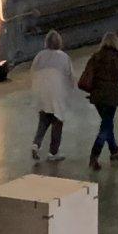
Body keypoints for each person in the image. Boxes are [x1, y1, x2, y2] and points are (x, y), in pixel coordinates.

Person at [80, 33, 118, 170]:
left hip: (97, 98)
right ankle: (94, 155)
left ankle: (114, 150)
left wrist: (92, 91)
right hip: (111, 98)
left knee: (107, 123)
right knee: (105, 127)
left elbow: (86, 76)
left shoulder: (95, 57)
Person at [31, 29, 74, 161]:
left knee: (44, 119)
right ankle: (53, 152)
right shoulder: (64, 57)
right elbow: (70, 76)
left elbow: (33, 71)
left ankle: (36, 144)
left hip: (41, 91)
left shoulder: (39, 55)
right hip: (57, 92)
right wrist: (70, 91)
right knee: (57, 121)